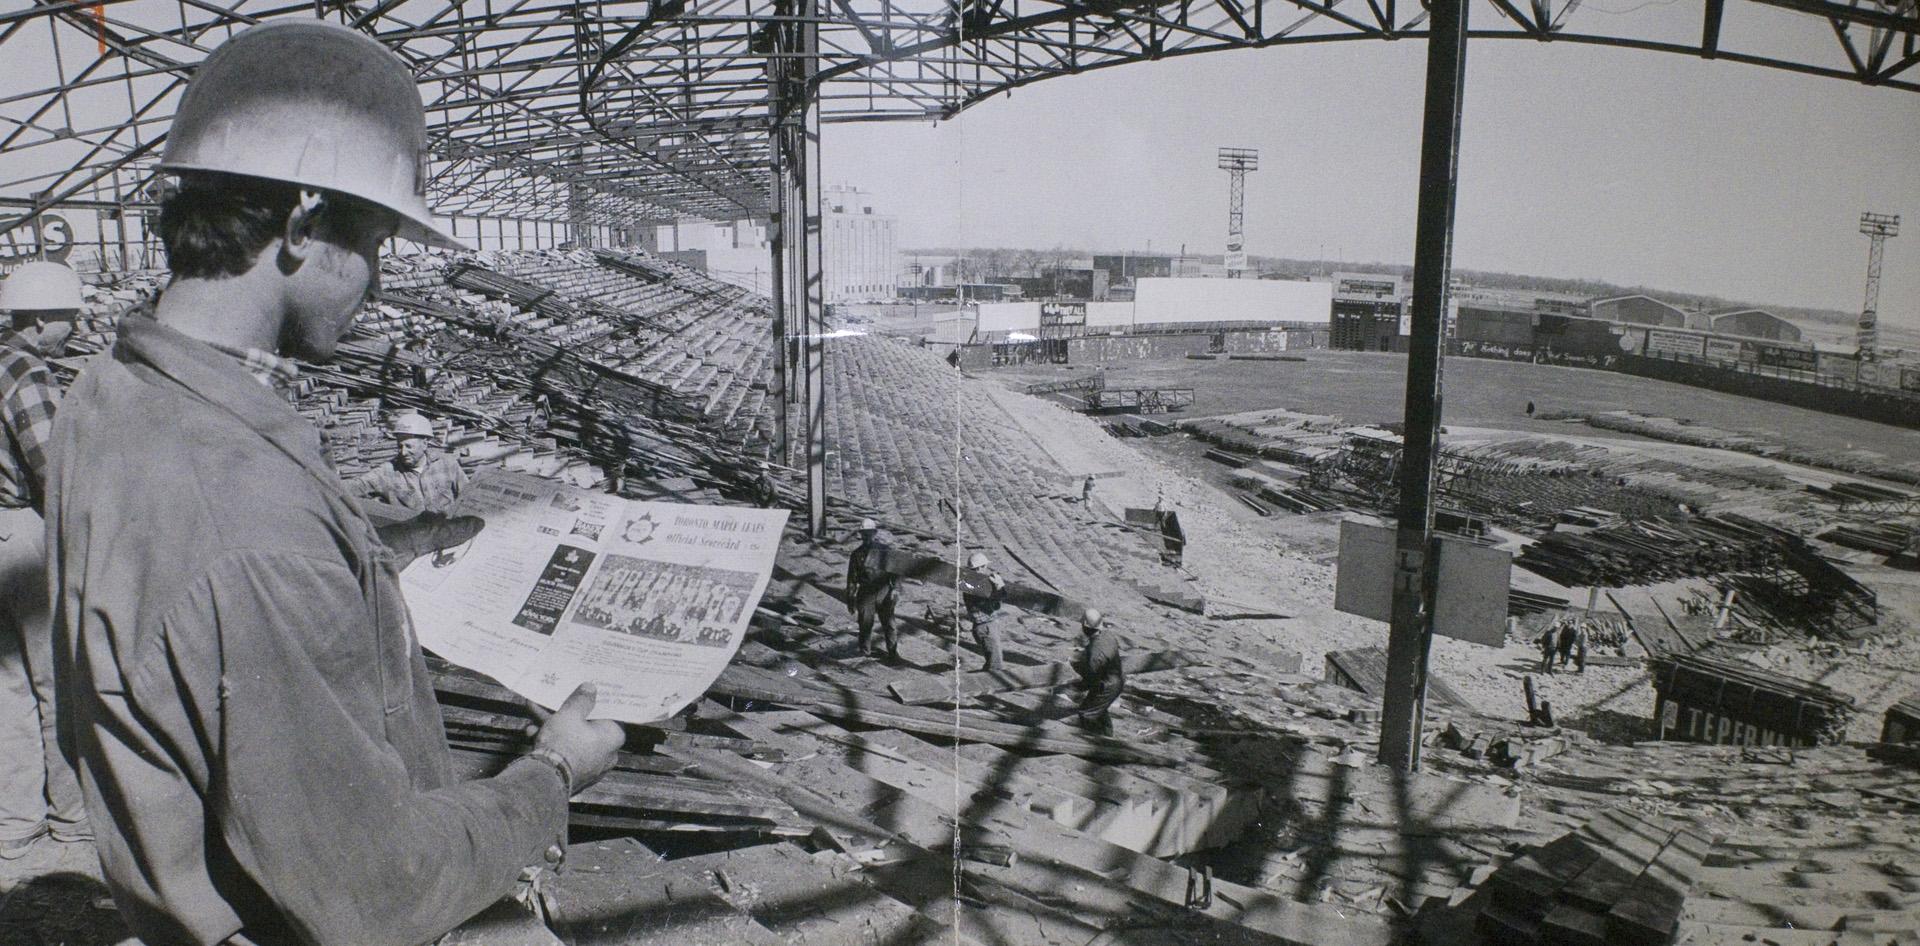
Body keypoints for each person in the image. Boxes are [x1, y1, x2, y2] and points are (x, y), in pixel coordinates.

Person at [44, 21, 627, 945]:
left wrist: (387, 546)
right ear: (303, 222)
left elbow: (193, 614)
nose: (379, 283)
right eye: (378, 243)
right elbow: (374, 893)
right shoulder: (243, 518)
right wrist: (552, 773)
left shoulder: (111, 395)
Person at [0, 261, 88, 859]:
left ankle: (13, 822)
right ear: (37, 319)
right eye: (67, 318)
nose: (74, 327)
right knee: (56, 677)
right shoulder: (25, 370)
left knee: (6, 686)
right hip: (23, 535)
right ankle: (72, 818)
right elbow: (52, 465)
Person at [353, 410, 468, 513]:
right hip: (413, 534)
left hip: (448, 532)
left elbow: (469, 499)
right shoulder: (387, 472)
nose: (403, 452)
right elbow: (351, 488)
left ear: (424, 443)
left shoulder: (447, 465)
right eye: (400, 446)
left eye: (409, 446)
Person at [845, 518, 900, 661]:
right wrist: (851, 599)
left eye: (869, 533)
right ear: (861, 534)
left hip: (884, 590)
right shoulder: (856, 554)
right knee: (865, 623)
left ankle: (893, 652)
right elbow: (852, 579)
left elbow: (895, 572)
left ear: (874, 533)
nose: (866, 536)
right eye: (864, 534)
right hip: (866, 591)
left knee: (889, 624)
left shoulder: (884, 550)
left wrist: (895, 589)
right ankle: (865, 652)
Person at [1071, 609, 1125, 736]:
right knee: (1099, 708)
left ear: (1085, 626)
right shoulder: (1108, 636)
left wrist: (1077, 685)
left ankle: (1097, 742)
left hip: (1107, 685)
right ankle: (1107, 734)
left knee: (1086, 714)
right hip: (1116, 679)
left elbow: (1091, 676)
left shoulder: (1096, 652)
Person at [961, 551, 1008, 673]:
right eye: (985, 567)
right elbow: (995, 601)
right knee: (995, 666)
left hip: (985, 626)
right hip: (986, 627)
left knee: (992, 662)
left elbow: (994, 605)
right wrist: (1000, 587)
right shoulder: (976, 584)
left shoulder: (970, 582)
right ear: (981, 567)